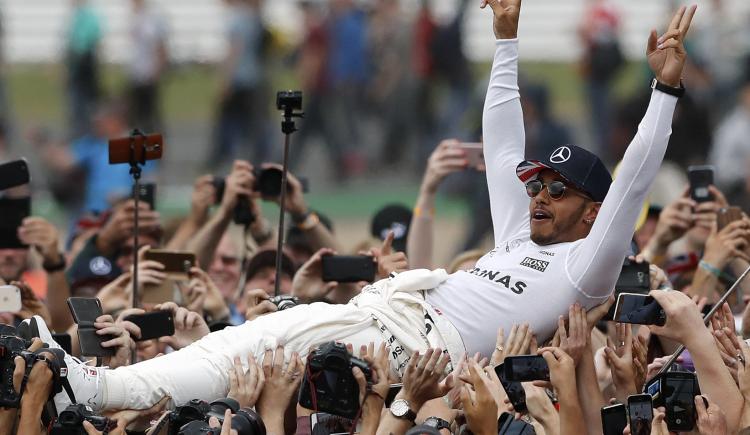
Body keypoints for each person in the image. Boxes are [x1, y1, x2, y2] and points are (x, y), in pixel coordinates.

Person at [39, 0, 698, 414]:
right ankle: (89, 384)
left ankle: (94, 391)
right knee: (242, 340)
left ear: (594, 210)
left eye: (558, 190)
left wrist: (662, 91)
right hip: (383, 314)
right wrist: (505, 40)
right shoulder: (517, 240)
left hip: (420, 349)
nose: (540, 197)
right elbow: (503, 145)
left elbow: (636, 179)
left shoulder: (587, 267)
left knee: (246, 361)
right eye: (537, 186)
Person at [127, 0, 168, 134]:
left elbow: (160, 46)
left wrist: (157, 70)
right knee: (136, 114)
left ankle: (156, 146)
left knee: (149, 114)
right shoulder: (135, 19)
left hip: (148, 73)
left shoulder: (151, 20)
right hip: (136, 73)